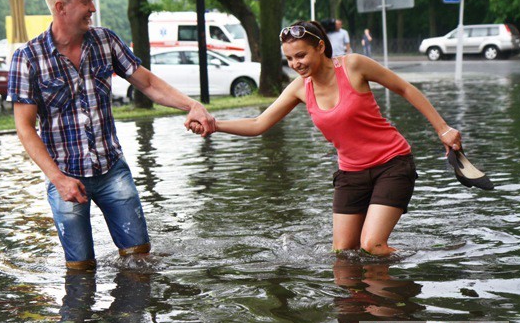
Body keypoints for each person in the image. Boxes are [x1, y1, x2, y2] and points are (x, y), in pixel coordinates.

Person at [188, 20, 462, 256]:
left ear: (320, 47)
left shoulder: (353, 66)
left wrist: (443, 129)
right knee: (343, 254)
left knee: (372, 246)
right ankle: (357, 312)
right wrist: (215, 125)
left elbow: (404, 88)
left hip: (392, 164)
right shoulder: (298, 88)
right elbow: (260, 123)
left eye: (301, 55)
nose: (296, 64)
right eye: (290, 59)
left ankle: (426, 260)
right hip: (350, 174)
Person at [8, 0, 216, 271]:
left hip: (112, 172)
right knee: (80, 269)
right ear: (60, 7)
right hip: (65, 177)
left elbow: (147, 83)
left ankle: (134, 317)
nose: (93, 8)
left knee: (140, 260)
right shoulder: (28, 58)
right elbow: (24, 128)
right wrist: (58, 179)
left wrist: (192, 105)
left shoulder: (105, 40)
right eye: (86, 1)